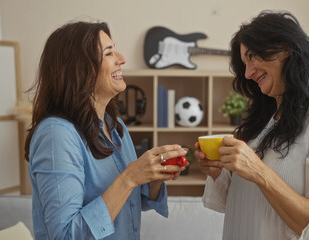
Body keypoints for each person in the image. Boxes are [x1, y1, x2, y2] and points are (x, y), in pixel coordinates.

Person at [195, 10, 309, 239]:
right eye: (244, 64)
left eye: (252, 57)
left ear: (285, 48)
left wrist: (259, 171)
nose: (248, 73)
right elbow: (240, 205)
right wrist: (219, 172)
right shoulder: (265, 120)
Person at [24, 21, 188, 240]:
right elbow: (65, 236)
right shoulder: (57, 135)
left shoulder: (115, 126)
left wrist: (155, 176)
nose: (122, 59)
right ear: (80, 68)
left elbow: (130, 203)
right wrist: (130, 177)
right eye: (109, 53)